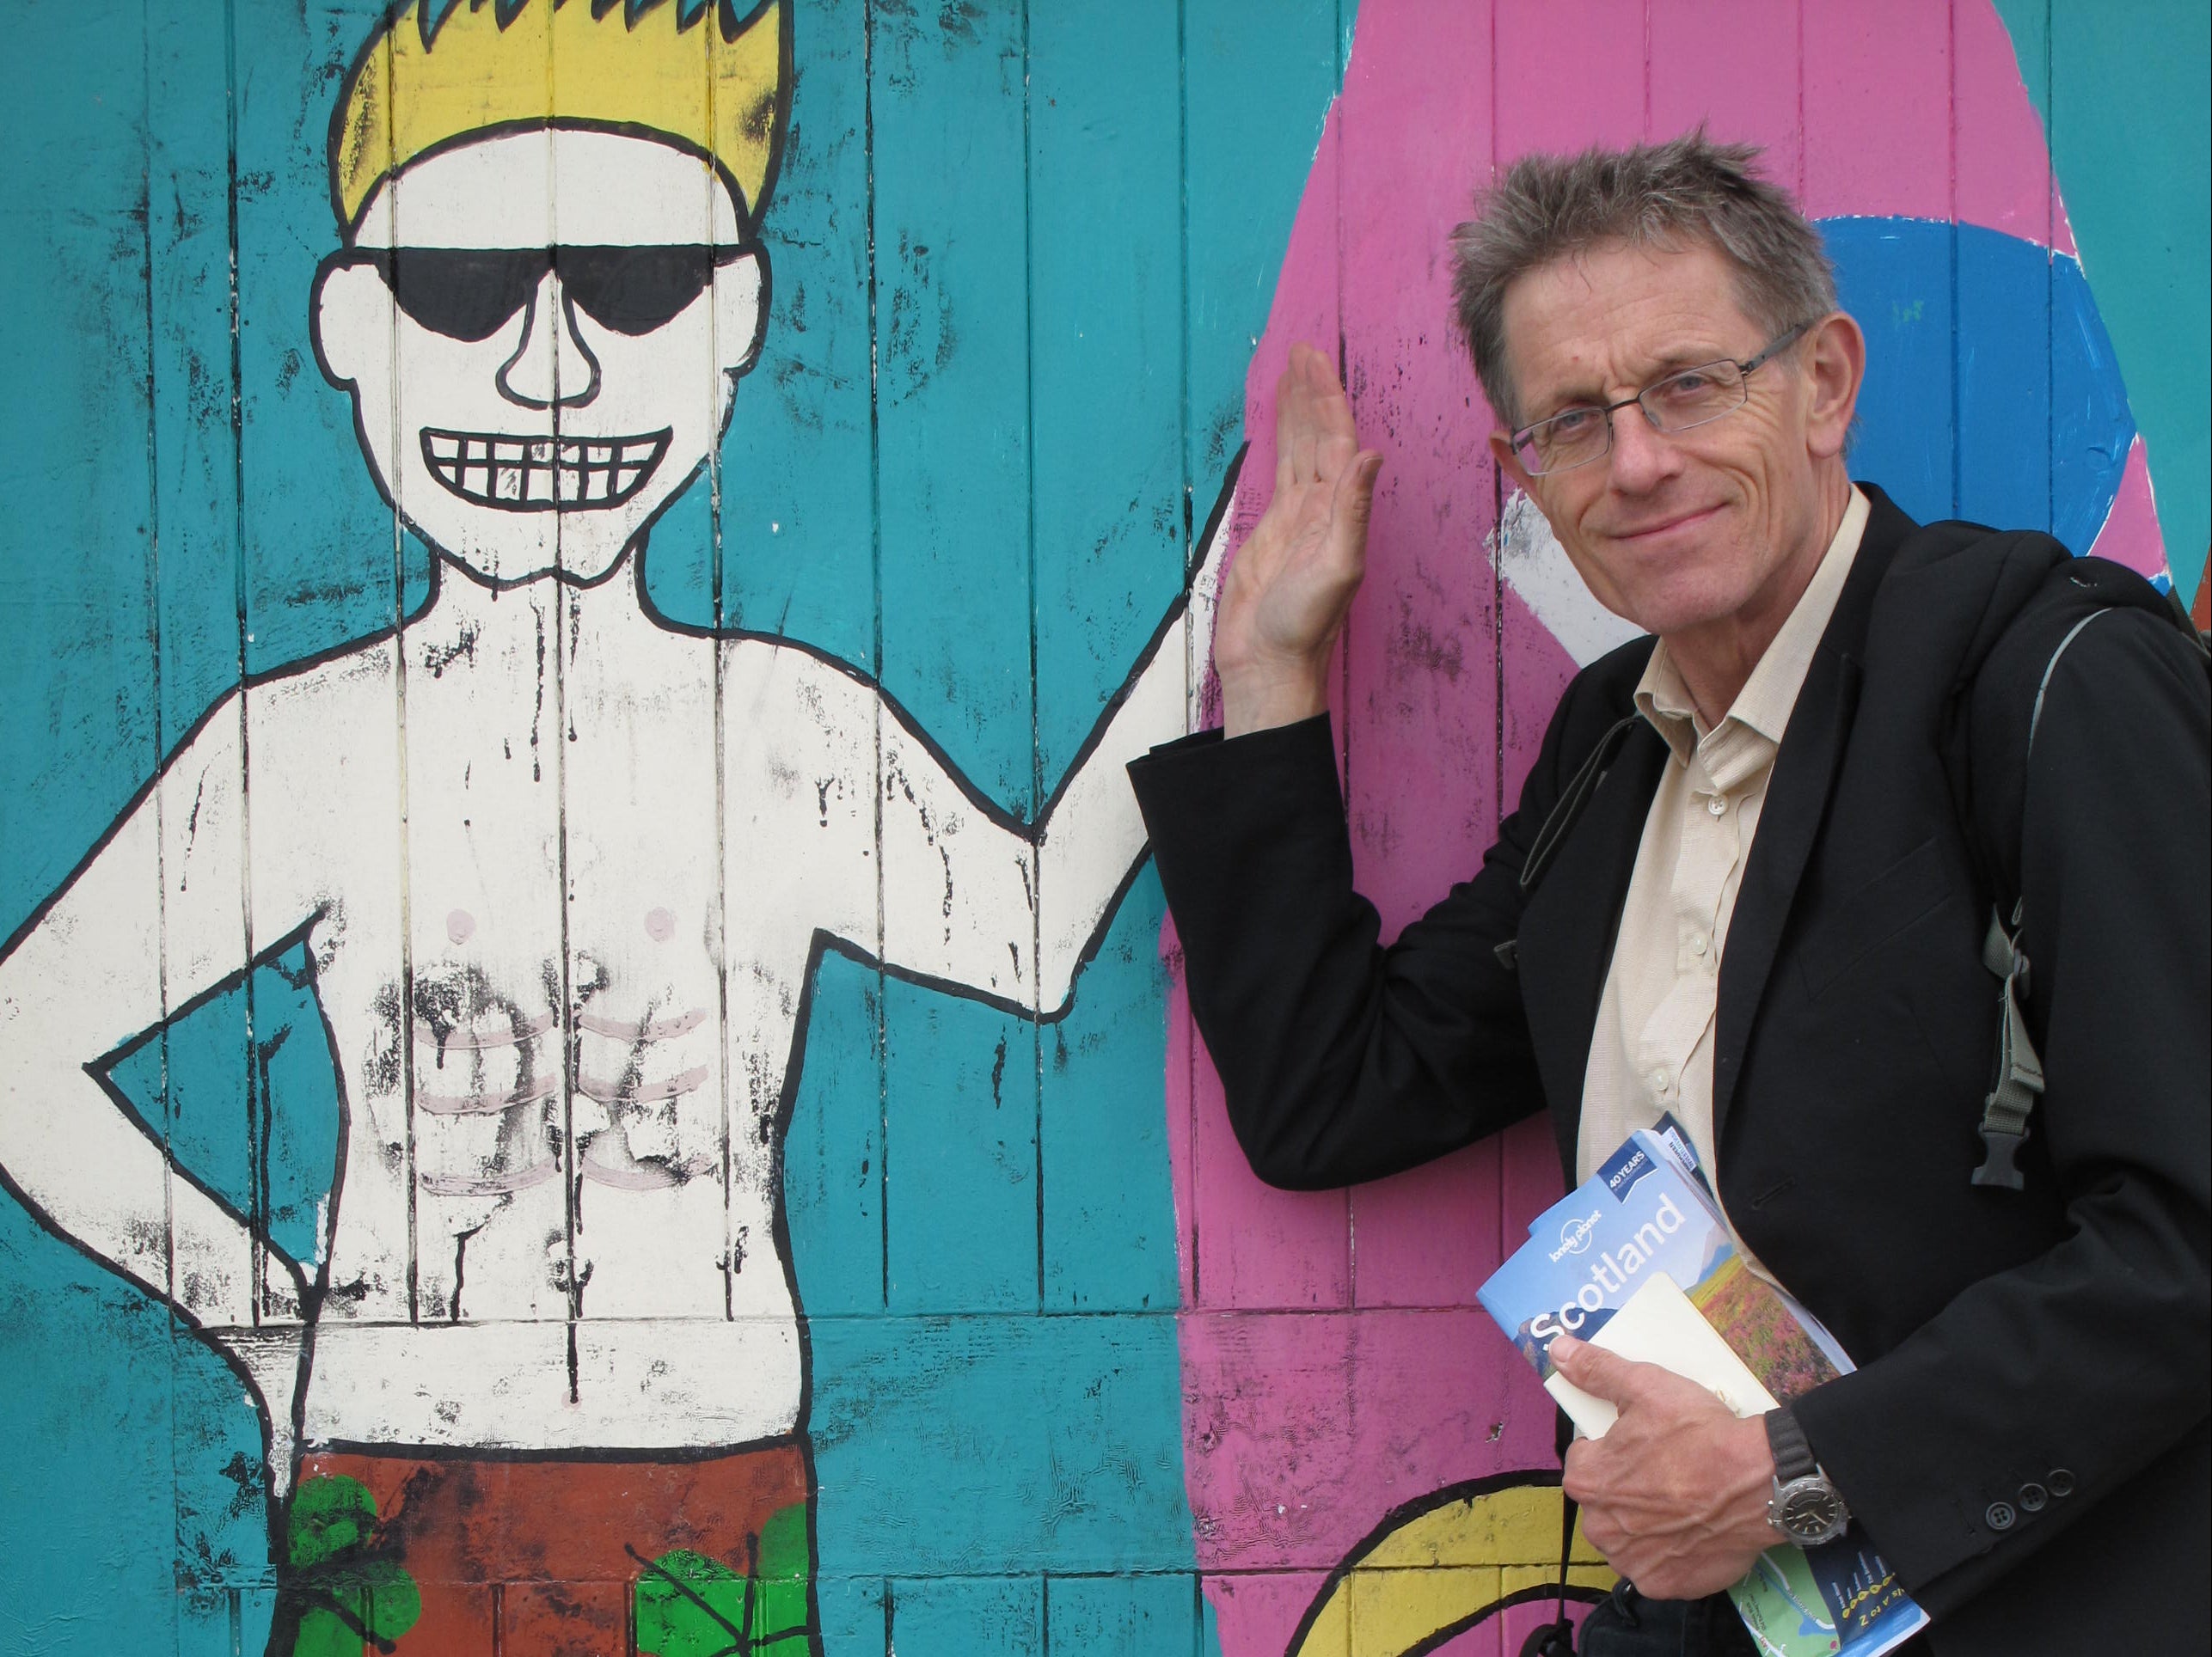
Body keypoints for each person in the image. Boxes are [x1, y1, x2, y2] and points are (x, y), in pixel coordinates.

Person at [0, 3, 1216, 1652]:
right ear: (350, 324)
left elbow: (1021, 937)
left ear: (735, 321)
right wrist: (262, 1323)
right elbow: (20, 1047)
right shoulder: (305, 744)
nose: (551, 366)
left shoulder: (783, 726)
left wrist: (1224, 612)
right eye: (461, 286)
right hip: (400, 1473)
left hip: (704, 1476)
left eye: (636, 289)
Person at [1127, 133, 2209, 1656]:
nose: (1636, 461)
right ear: (1525, 475)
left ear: (1823, 383)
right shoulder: (1611, 748)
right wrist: (1270, 674)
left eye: (1691, 384)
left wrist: (1794, 1479)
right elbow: (1337, 1094)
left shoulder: (2046, 676)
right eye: (1573, 420)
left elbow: (2188, 1241)